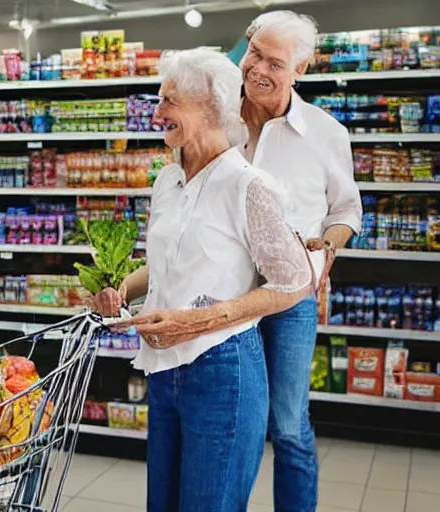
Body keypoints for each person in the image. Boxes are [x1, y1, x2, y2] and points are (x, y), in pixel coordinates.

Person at [96, 48, 313, 511]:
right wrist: (122, 289)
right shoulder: (168, 181)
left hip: (223, 369)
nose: (157, 114)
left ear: (210, 107)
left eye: (169, 101)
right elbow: (169, 263)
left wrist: (204, 319)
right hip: (163, 369)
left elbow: (295, 280)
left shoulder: (248, 185)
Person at [239, 11, 363, 511]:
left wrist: (328, 246)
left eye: (276, 62)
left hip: (290, 299)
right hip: (219, 296)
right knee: (232, 425)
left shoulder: (326, 133)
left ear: (302, 69)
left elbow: (347, 209)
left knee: (287, 425)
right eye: (254, 53)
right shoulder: (218, 120)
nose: (258, 69)